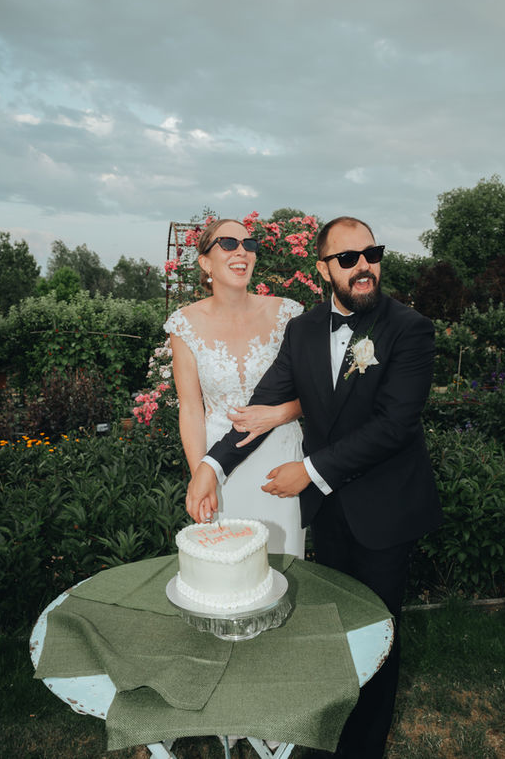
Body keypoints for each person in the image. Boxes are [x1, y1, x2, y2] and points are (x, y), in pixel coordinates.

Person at [186, 216, 443, 759]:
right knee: (334, 630)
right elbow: (261, 408)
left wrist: (311, 471)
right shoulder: (302, 331)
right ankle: (329, 736)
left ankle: (362, 747)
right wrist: (212, 464)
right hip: (328, 514)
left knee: (377, 634)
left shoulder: (410, 328)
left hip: (384, 510)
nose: (363, 266)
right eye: (347, 259)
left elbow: (395, 426)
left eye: (370, 253)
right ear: (324, 268)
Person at [165, 218, 306, 558]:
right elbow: (191, 407)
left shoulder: (287, 313)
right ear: (205, 262)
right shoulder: (184, 324)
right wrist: (203, 472)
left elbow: (316, 392)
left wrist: (279, 414)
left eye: (249, 245)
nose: (242, 251)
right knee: (227, 568)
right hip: (221, 467)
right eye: (228, 244)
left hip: (281, 462)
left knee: (283, 566)